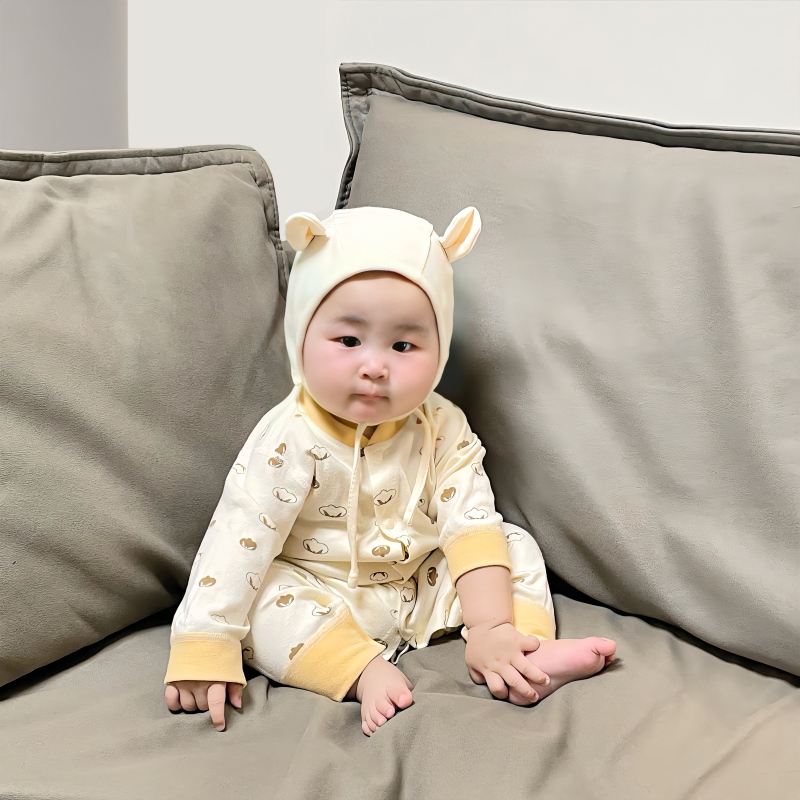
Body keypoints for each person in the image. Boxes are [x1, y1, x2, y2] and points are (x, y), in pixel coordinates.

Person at [164, 205, 616, 736]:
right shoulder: (287, 439)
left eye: (403, 345)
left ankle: (521, 651)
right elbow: (238, 537)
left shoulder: (442, 425)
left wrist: (491, 625)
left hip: (423, 582)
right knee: (260, 598)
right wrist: (203, 645)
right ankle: (361, 671)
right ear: (300, 338)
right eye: (348, 341)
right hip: (323, 592)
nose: (375, 366)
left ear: (438, 351)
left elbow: (468, 521)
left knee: (509, 544)